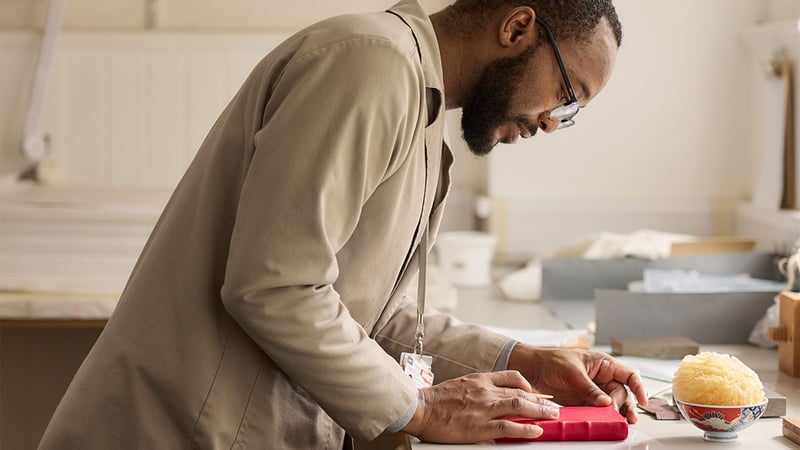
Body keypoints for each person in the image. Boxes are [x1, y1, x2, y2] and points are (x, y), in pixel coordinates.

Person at [39, 0, 647, 448]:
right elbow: (274, 287)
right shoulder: (371, 64)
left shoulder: (418, 105)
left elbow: (370, 313)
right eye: (568, 97)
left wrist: (521, 359)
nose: (551, 123)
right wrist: (422, 410)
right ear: (517, 27)